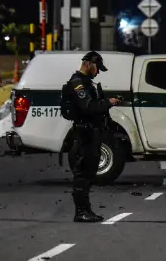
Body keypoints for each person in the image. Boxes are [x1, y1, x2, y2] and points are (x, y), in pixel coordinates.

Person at [62, 51, 120, 223]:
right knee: (82, 173)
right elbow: (88, 107)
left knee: (88, 173)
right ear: (88, 64)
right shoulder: (78, 83)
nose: (98, 72)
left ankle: (86, 210)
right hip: (83, 134)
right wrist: (107, 103)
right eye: (97, 68)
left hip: (91, 132)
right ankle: (80, 212)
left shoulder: (86, 83)